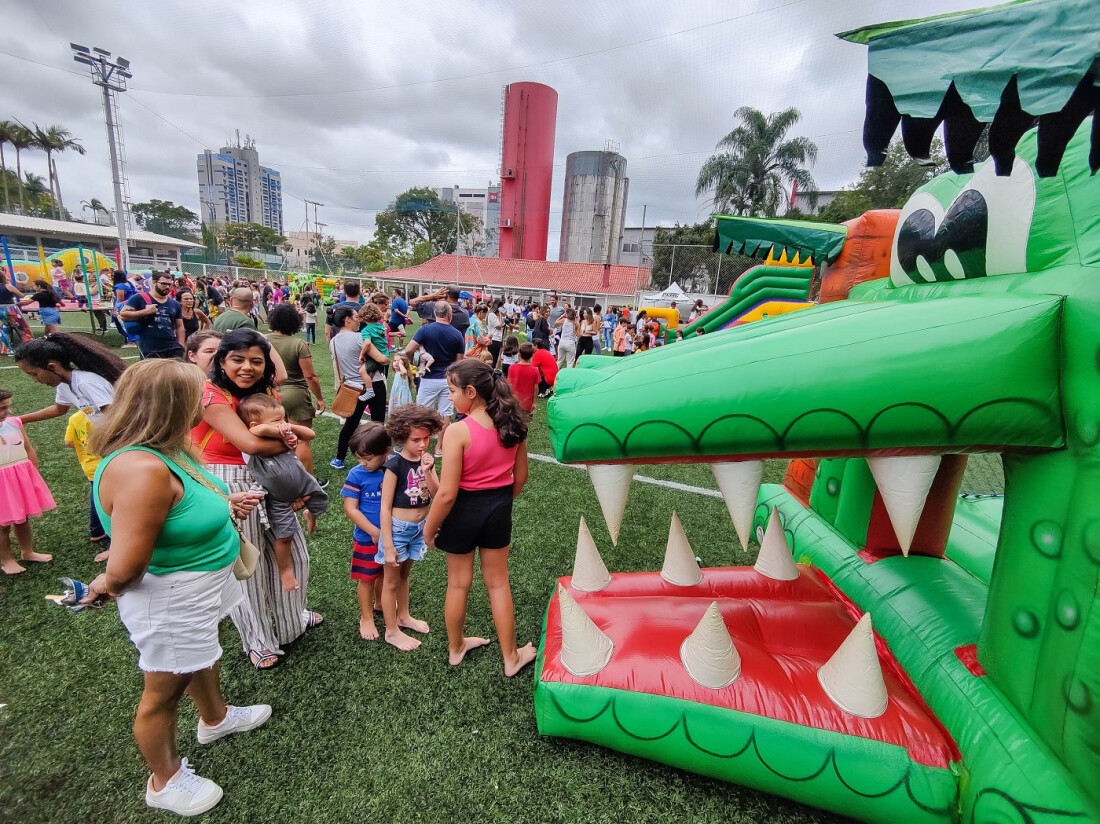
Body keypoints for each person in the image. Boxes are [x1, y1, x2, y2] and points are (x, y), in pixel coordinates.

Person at [81, 360, 271, 816]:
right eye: (198, 397)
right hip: (171, 599)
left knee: (200, 658)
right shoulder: (140, 468)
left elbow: (177, 514)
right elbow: (125, 566)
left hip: (198, 588)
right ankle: (164, 781)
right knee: (162, 692)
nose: (208, 403)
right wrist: (106, 583)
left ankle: (215, 718)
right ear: (174, 406)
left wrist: (225, 508)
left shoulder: (164, 449)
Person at [190, 329, 321, 670]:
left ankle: (294, 621)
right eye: (237, 359)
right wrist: (290, 443)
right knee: (249, 567)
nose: (247, 367)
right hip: (230, 481)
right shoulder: (208, 393)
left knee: (295, 555)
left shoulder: (266, 390)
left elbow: (283, 434)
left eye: (256, 361)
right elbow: (249, 444)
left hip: (274, 475)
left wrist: (294, 480)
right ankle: (259, 642)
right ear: (221, 361)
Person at [423, 359, 535, 676]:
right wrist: (497, 502)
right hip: (498, 511)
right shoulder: (514, 423)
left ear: (471, 392)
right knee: (498, 584)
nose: (450, 398)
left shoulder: (458, 431)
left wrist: (428, 531)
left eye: (452, 391)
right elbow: (521, 477)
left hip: (462, 514)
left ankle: (456, 647)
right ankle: (511, 657)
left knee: (458, 585)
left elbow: (446, 494)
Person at [237, 394, 328, 592]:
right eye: (277, 420)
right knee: (284, 536)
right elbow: (258, 429)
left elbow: (310, 435)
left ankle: (311, 514)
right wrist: (277, 429)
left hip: (303, 484)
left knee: (320, 499)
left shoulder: (286, 434)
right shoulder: (251, 440)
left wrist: (290, 427)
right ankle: (285, 570)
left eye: (284, 418)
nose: (283, 424)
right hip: (277, 498)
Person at [378, 404, 442, 651]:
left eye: (426, 438)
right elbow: (385, 508)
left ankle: (403, 616)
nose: (423, 444)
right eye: (416, 439)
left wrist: (428, 471)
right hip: (397, 530)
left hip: (418, 529)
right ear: (402, 437)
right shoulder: (394, 466)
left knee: (405, 576)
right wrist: (388, 544)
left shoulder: (426, 461)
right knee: (391, 581)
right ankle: (391, 631)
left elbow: (437, 493)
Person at [341, 423, 391, 641]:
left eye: (368, 458)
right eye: (359, 457)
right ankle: (366, 616)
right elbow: (350, 509)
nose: (363, 463)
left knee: (384, 573)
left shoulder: (394, 469)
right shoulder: (356, 474)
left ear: (386, 451)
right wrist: (373, 531)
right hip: (366, 537)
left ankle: (380, 603)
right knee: (367, 577)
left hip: (391, 536)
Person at [0, 388, 55, 575]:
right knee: (2, 524)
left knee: (22, 518)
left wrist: (34, 475)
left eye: (8, 407)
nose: (8, 412)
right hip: (2, 483)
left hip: (20, 476)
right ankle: (7, 559)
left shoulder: (14, 423)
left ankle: (27, 551)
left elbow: (29, 449)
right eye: (2, 408)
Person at [14, 333, 125, 425]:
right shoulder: (64, 385)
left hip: (125, 437)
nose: (35, 380)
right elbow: (59, 410)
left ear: (52, 367)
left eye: (34, 374)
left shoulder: (86, 383)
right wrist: (19, 420)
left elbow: (116, 417)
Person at [266, 304, 326, 475]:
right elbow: (310, 376)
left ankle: (281, 479)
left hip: (269, 395)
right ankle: (307, 483)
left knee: (275, 439)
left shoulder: (263, 340)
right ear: (295, 322)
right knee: (301, 441)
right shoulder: (298, 344)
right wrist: (320, 399)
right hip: (296, 395)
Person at [329, 306, 388, 469]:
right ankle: (380, 457)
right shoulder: (360, 337)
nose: (359, 320)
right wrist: (388, 357)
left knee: (350, 424)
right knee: (378, 424)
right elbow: (381, 359)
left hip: (352, 387)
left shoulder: (333, 342)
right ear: (347, 320)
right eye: (356, 317)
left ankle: (339, 458)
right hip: (373, 384)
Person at [405, 302, 464, 456]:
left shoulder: (425, 329)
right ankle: (439, 448)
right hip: (448, 380)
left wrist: (415, 363)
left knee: (421, 414)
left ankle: (419, 445)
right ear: (449, 315)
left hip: (428, 378)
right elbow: (459, 362)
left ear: (435, 314)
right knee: (445, 414)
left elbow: (408, 350)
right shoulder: (457, 334)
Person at [64, 409, 110, 560]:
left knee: (95, 496)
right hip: (105, 465)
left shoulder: (75, 418)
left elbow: (68, 442)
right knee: (107, 502)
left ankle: (96, 531)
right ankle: (112, 541)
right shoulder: (103, 416)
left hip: (89, 466)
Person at [120, 271, 186, 359]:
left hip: (172, 347)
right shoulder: (139, 298)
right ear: (154, 282)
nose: (167, 287)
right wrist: (146, 311)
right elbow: (123, 314)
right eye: (163, 284)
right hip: (150, 348)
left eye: (169, 284)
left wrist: (181, 345)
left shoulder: (175, 304)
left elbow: (179, 326)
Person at [356, 303, 390, 423]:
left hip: (378, 357)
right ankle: (370, 388)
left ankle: (369, 391)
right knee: (371, 373)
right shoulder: (381, 327)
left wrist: (361, 355)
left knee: (362, 370)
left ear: (364, 317)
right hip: (385, 354)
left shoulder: (366, 330)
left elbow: (367, 343)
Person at [507, 342, 540, 413]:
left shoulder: (512, 368)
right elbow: (536, 388)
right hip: (527, 403)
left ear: (519, 354)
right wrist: (534, 402)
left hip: (514, 401)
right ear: (531, 356)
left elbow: (509, 385)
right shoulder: (535, 370)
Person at [486, 300, 506, 365]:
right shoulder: (492, 315)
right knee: (492, 361)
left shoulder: (495, 315)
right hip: (494, 339)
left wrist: (502, 315)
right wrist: (500, 314)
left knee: (495, 359)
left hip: (497, 339)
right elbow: (499, 326)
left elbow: (502, 323)